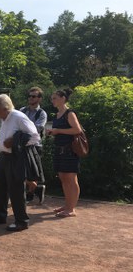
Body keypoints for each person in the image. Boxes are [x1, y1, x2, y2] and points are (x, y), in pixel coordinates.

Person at [0, 94, 40, 231]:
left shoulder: (18, 117)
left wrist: (15, 141)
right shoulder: (5, 118)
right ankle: (0, 216)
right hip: (4, 156)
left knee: (16, 189)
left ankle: (21, 221)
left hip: (15, 157)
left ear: (4, 108)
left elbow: (35, 137)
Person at [46, 88, 82, 218]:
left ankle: (71, 209)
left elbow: (77, 130)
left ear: (63, 98)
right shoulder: (57, 115)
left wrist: (58, 131)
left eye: (54, 98)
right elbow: (60, 131)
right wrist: (52, 133)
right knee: (63, 178)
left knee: (71, 179)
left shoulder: (69, 113)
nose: (52, 100)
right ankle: (67, 205)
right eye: (52, 98)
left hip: (70, 151)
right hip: (59, 150)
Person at [20, 87, 47, 203]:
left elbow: (37, 129)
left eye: (34, 96)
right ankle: (37, 189)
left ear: (39, 99)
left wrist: (23, 131)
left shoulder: (42, 113)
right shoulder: (22, 111)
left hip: (35, 145)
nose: (30, 98)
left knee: (33, 172)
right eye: (29, 96)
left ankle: (31, 194)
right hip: (22, 145)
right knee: (21, 170)